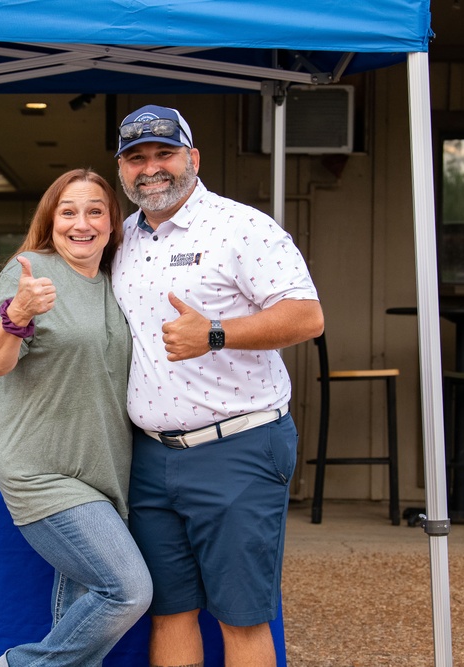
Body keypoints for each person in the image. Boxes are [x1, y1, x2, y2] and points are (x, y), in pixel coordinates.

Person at [110, 104, 324, 666]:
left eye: (164, 153)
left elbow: (306, 317)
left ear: (193, 157)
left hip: (237, 446)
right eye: (136, 158)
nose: (151, 169)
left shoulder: (241, 226)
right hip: (150, 458)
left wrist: (216, 333)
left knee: (241, 616)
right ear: (121, 169)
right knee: (170, 610)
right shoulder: (120, 239)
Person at [0, 168, 152, 667]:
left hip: (105, 473)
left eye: (95, 211)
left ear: (113, 223)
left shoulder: (119, 280)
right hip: (42, 470)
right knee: (127, 590)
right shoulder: (30, 270)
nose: (82, 223)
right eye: (68, 211)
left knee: (81, 612)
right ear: (50, 220)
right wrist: (18, 314)